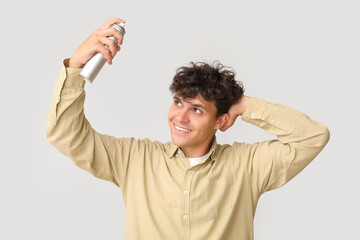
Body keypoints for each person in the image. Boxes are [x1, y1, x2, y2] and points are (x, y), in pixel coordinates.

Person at [46, 18, 330, 240]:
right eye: (178, 102)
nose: (180, 117)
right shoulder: (134, 159)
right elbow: (64, 134)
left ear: (220, 121)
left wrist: (244, 105)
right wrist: (76, 66)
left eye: (196, 109)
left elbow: (313, 137)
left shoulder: (248, 166)